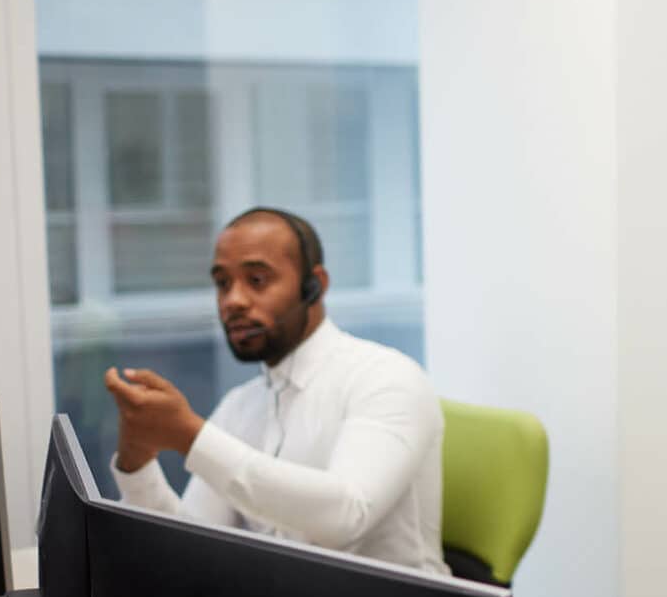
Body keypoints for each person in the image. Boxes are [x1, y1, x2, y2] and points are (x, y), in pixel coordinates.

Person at [102, 207, 449, 575]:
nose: (233, 301)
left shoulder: (386, 378)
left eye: (257, 280)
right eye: (222, 283)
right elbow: (190, 549)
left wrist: (191, 436)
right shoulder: (241, 405)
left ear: (314, 286)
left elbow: (348, 514)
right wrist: (136, 464)